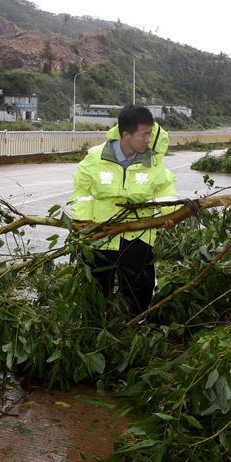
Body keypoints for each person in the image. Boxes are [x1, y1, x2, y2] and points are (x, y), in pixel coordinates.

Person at [69, 106, 178, 316]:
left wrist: (170, 215)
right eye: (144, 134)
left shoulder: (153, 161)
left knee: (139, 291)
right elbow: (81, 192)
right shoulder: (95, 158)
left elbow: (166, 191)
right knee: (95, 292)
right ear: (126, 135)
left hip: (139, 237)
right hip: (99, 237)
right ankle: (92, 332)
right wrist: (83, 226)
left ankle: (135, 328)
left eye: (150, 133)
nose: (148, 139)